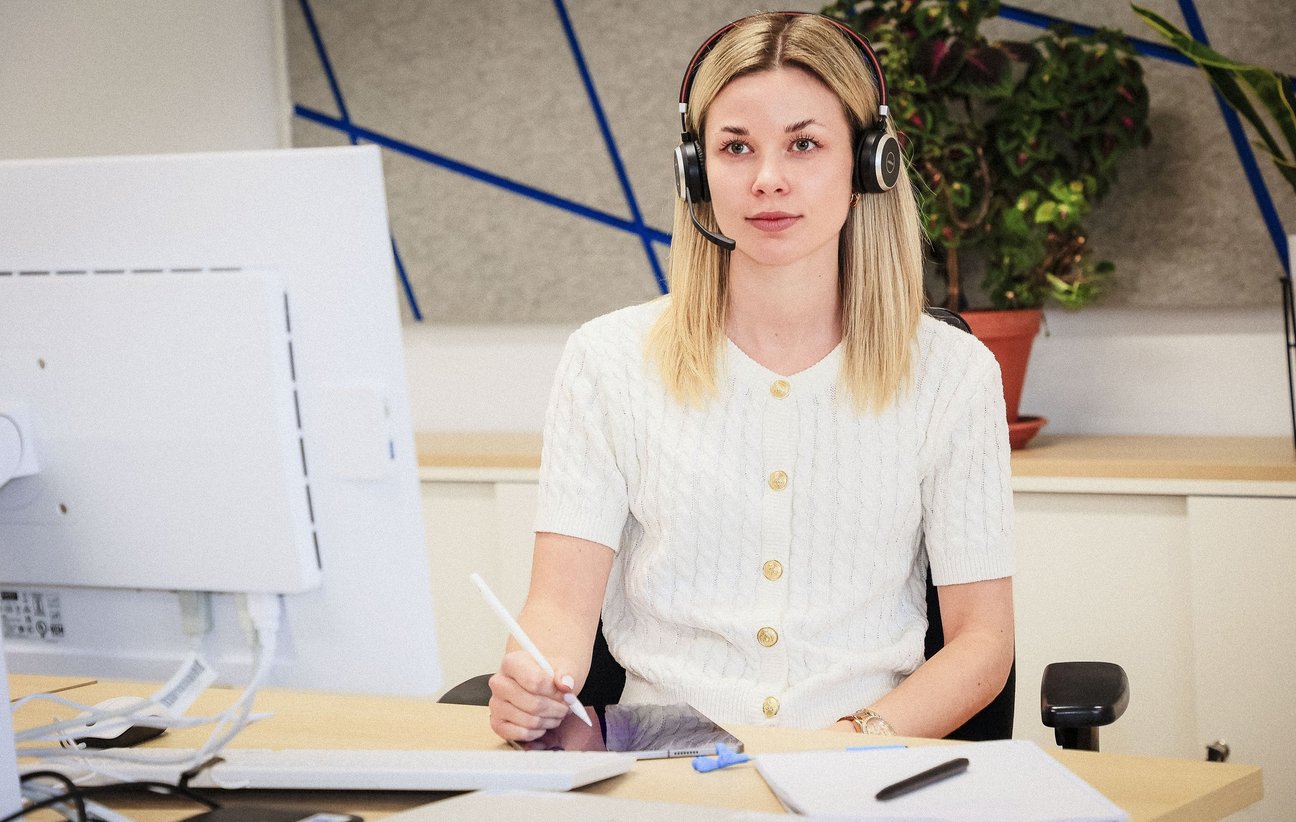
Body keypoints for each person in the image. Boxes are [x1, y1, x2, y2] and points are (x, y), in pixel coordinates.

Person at [488, 11, 1014, 742]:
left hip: (863, 770)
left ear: (871, 164)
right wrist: (534, 677)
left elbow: (983, 646)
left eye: (804, 144)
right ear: (697, 171)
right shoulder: (606, 362)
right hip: (662, 774)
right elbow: (559, 609)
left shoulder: (953, 375)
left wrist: (854, 740)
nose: (768, 179)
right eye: (736, 147)